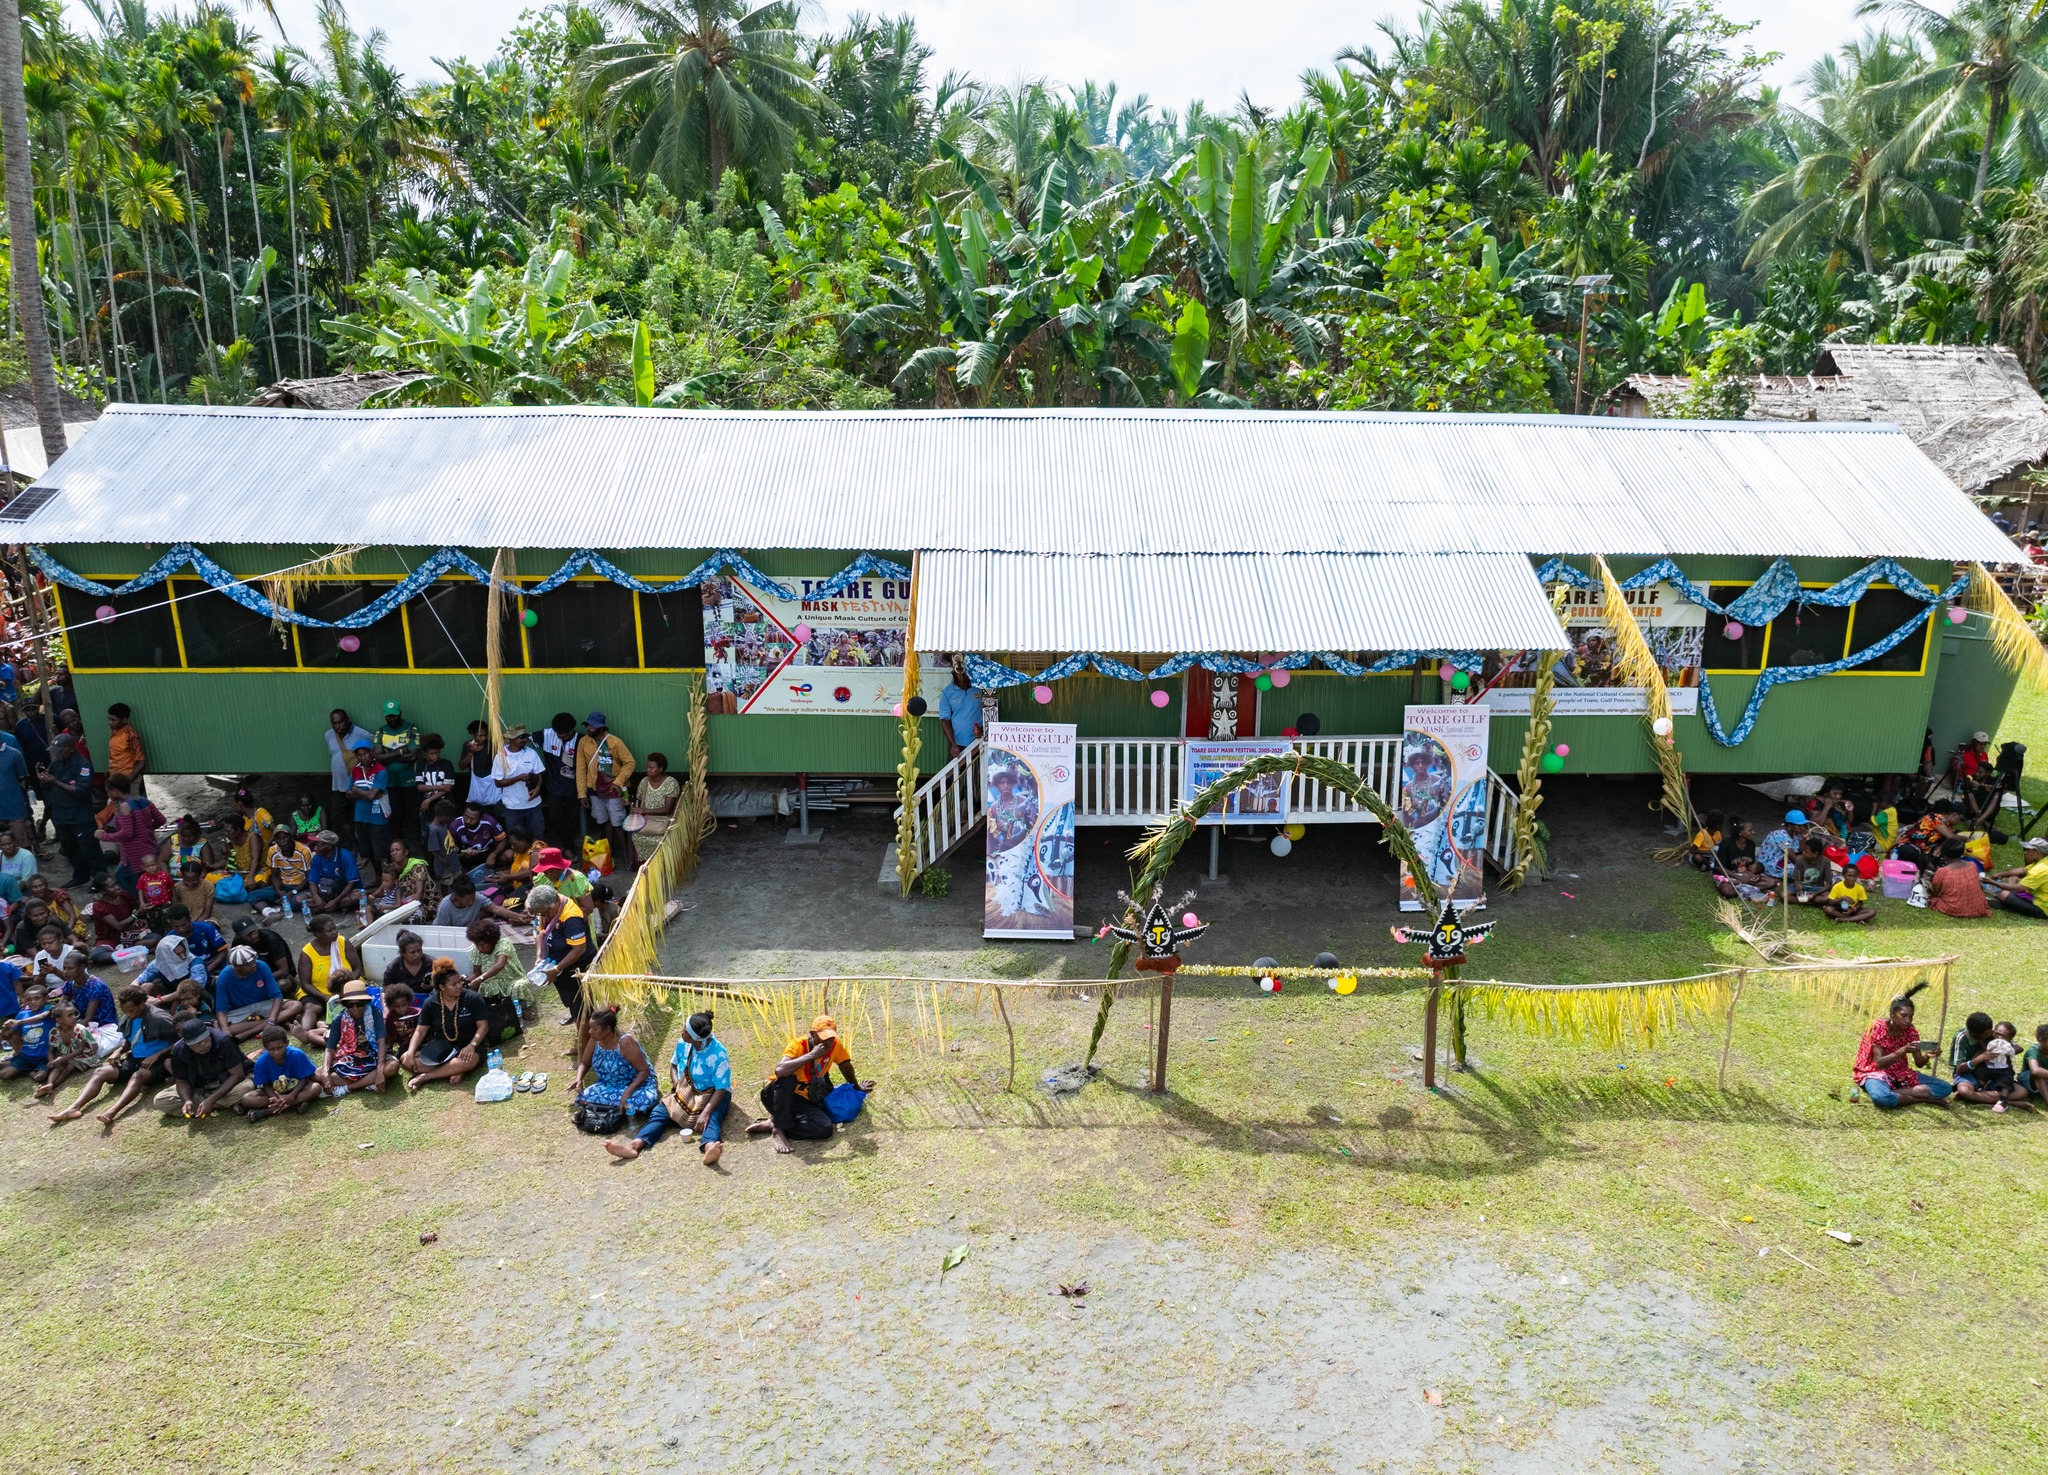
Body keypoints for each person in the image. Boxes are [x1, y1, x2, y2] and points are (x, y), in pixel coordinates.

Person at [607, 1009, 731, 1164]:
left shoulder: (718, 1054)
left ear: (695, 1037)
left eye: (685, 1031)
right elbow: (673, 1065)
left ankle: (710, 1147)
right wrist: (677, 1086)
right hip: (686, 1090)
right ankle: (635, 1145)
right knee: (660, 1112)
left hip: (714, 1094)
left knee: (711, 1118)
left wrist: (705, 1113)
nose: (682, 1031)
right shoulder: (683, 1043)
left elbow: (720, 1088)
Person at [56, 984, 178, 1132]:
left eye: (131, 1010)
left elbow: (178, 1041)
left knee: (137, 1076)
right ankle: (74, 1108)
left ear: (142, 1003)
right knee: (100, 1072)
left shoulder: (159, 1018)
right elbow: (128, 1041)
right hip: (136, 1058)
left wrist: (157, 1055)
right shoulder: (128, 1018)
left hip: (157, 1061)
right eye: (125, 1010)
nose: (128, 1014)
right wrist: (118, 1051)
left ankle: (112, 1111)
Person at [746, 1013, 873, 1153]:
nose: (828, 1042)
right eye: (823, 1038)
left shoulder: (834, 1045)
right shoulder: (798, 1045)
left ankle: (775, 1122)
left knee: (825, 1128)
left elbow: (845, 1065)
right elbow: (780, 1071)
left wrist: (856, 1087)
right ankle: (778, 1130)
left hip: (806, 1100)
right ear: (813, 1034)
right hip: (778, 1096)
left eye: (831, 1037)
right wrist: (812, 1055)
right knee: (788, 1078)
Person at [1852, 982, 1949, 1108]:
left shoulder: (1910, 1031)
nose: (1908, 1020)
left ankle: (1893, 1094)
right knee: (1880, 1098)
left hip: (1900, 1073)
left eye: (1911, 1016)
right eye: (1903, 1015)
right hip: (1875, 1072)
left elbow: (1919, 1063)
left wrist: (1928, 1056)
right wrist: (1902, 1050)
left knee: (1945, 1088)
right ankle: (1922, 1099)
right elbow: (1879, 1063)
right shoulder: (1878, 1027)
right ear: (1892, 1013)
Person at [400, 958, 488, 1092]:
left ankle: (427, 1077)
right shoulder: (431, 1003)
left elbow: (483, 1026)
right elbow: (420, 1031)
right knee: (405, 1058)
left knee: (467, 1061)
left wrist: (472, 1045)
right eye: (454, 984)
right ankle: (454, 1069)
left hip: (469, 1049)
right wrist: (411, 1053)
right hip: (442, 1050)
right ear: (441, 987)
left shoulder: (472, 998)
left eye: (459, 982)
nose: (459, 986)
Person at [38, 731, 105, 888]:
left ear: (70, 748)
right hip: (61, 816)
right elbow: (46, 786)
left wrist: (56, 781)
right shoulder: (56, 763)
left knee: (90, 849)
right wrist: (45, 780)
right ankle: (80, 875)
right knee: (70, 848)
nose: (56, 755)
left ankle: (100, 879)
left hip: (80, 817)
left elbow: (81, 790)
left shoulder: (83, 765)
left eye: (59, 751)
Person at [571, 1005, 657, 1120]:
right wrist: (578, 1078)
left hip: (636, 1084)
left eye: (595, 1029)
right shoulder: (595, 1040)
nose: (590, 1032)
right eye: (590, 1028)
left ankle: (606, 1109)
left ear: (608, 1028)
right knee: (583, 1099)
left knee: (644, 1100)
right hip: (608, 1085)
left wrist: (627, 1093)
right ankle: (619, 1111)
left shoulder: (625, 1043)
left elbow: (644, 1071)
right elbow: (584, 1063)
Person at [157, 1018, 248, 1120]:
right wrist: (187, 1100)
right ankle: (223, 1104)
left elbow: (238, 1075)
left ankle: (205, 1105)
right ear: (187, 1044)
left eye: (205, 1039)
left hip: (225, 1084)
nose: (203, 1045)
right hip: (199, 1087)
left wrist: (211, 1100)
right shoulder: (178, 1051)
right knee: (161, 1100)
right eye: (197, 1043)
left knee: (247, 1088)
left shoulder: (223, 1041)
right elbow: (181, 1081)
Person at [576, 712, 635, 867]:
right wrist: (582, 793)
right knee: (604, 821)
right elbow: (580, 769)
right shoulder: (584, 742)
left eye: (593, 725)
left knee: (618, 823)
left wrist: (619, 781)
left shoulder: (614, 742)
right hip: (595, 788)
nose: (589, 728)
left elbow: (630, 762)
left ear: (601, 727)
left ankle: (627, 856)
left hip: (613, 789)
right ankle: (609, 854)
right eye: (588, 725)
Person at [526, 883, 589, 1025]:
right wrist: (539, 957)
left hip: (576, 967)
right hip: (556, 965)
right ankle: (574, 1014)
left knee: (581, 1008)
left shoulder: (571, 917)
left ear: (554, 904)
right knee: (570, 1000)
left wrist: (556, 969)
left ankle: (583, 1043)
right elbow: (539, 933)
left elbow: (579, 949)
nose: (542, 917)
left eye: (544, 913)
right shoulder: (545, 908)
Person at [32, 1000, 117, 1102]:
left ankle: (51, 1086)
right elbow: (50, 1050)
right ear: (59, 1020)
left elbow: (81, 1049)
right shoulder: (54, 1032)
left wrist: (64, 1058)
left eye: (74, 1014)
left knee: (69, 1067)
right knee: (58, 1066)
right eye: (69, 1015)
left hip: (84, 1055)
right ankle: (49, 1084)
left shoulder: (79, 1029)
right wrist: (51, 1061)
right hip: (66, 1054)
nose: (74, 1017)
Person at [294, 916, 360, 1041]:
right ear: (318, 934)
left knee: (356, 1005)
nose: (335, 932)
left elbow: (357, 968)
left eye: (335, 928)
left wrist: (347, 988)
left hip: (347, 986)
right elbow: (305, 983)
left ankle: (322, 1026)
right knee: (311, 1008)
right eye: (330, 930)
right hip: (318, 991)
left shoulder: (343, 942)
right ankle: (304, 1032)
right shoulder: (307, 953)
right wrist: (325, 997)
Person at [97, 775, 165, 895]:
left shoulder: (124, 807)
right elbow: (161, 820)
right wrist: (146, 829)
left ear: (116, 790)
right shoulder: (144, 801)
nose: (108, 795)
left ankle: (139, 903)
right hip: (150, 846)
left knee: (126, 880)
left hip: (134, 854)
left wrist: (104, 836)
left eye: (109, 791)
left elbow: (127, 833)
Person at [240, 1023, 324, 1120]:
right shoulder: (261, 1062)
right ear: (265, 1048)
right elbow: (265, 1084)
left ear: (287, 1043)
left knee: (315, 1087)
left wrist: (292, 1095)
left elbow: (305, 1078)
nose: (276, 1052)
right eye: (271, 1049)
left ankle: (267, 1112)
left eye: (280, 1047)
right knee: (247, 1099)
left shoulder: (297, 1054)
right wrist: (277, 1098)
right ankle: (297, 1103)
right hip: (275, 1093)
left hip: (297, 1089)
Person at [1949, 1012, 2030, 1108]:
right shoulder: (1961, 1037)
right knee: (1965, 1091)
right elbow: (1960, 1069)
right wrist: (1981, 1057)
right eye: (1988, 1034)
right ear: (1975, 1035)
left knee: (2022, 1092)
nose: (1991, 1034)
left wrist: (2002, 1051)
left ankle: (1979, 1097)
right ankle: (2007, 1101)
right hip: (1969, 1074)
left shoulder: (1993, 1032)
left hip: (1993, 1074)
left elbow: (2017, 1047)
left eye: (1991, 1031)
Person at [324, 980, 389, 1094]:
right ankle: (368, 1081)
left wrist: (379, 1072)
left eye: (359, 1004)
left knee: (392, 1067)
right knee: (318, 1074)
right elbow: (330, 1047)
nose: (355, 1008)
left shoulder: (375, 1013)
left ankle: (347, 1088)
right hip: (351, 1057)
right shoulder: (339, 1018)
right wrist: (325, 1073)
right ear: (345, 1005)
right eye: (350, 1005)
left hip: (373, 1054)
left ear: (365, 1002)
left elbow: (381, 1042)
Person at [213, 945, 287, 1042]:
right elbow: (220, 1010)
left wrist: (272, 1020)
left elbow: (277, 995)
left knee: (295, 1006)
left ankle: (245, 1034)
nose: (254, 965)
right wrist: (226, 1031)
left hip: (263, 1003)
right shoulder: (224, 976)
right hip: (240, 1010)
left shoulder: (262, 966)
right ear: (237, 967)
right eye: (249, 964)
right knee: (223, 1026)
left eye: (254, 961)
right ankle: (272, 1022)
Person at [372, 700, 421, 839]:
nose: (391, 719)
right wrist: (399, 752)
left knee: (413, 815)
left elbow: (413, 756)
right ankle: (397, 846)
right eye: (388, 716)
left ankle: (415, 845)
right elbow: (377, 757)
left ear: (400, 713)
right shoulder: (381, 731)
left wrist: (387, 754)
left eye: (394, 715)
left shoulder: (411, 729)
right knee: (394, 817)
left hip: (409, 781)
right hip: (389, 783)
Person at [491, 723, 547, 841]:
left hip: (533, 804)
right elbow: (498, 783)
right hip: (513, 807)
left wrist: (537, 788)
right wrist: (518, 778)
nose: (525, 740)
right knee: (516, 839)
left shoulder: (531, 753)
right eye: (521, 737)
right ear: (511, 739)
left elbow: (539, 775)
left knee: (538, 837)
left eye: (525, 736)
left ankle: (537, 859)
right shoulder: (501, 757)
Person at [539, 713, 583, 850]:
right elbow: (522, 737)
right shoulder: (547, 734)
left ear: (571, 731)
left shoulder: (581, 740)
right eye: (557, 733)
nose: (559, 736)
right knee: (555, 817)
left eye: (563, 734)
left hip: (573, 787)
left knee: (572, 819)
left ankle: (568, 847)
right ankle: (566, 846)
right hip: (554, 787)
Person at [629, 751, 682, 861]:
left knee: (660, 840)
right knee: (633, 835)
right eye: (647, 767)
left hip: (662, 822)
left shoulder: (670, 783)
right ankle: (639, 866)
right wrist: (633, 807)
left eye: (651, 768)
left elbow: (668, 809)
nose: (648, 770)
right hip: (645, 821)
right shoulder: (644, 782)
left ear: (660, 769)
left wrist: (643, 811)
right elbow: (638, 802)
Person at [325, 709, 373, 830]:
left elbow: (376, 748)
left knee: (360, 818)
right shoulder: (329, 735)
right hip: (338, 785)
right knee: (339, 818)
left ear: (347, 720)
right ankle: (354, 845)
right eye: (334, 723)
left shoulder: (360, 733)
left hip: (357, 785)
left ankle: (363, 845)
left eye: (341, 722)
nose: (338, 726)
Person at [348, 739, 391, 862]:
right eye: (359, 755)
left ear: (371, 752)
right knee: (367, 850)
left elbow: (372, 796)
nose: (363, 757)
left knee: (380, 849)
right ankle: (377, 877)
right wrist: (366, 794)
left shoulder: (380, 770)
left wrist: (357, 791)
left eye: (365, 753)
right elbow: (348, 794)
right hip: (360, 816)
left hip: (377, 817)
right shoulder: (355, 770)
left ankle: (388, 875)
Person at [1926, 840, 1992, 919]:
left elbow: (1935, 893)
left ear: (1944, 854)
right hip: (1978, 906)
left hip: (1955, 908)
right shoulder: (1972, 865)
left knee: (1931, 897)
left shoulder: (1942, 871)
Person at [0, 978, 52, 1080]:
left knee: (40, 1077)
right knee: (4, 1075)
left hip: (45, 1056)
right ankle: (22, 1065)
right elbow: (9, 1035)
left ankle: (26, 1070)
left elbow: (41, 1017)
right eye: (28, 999)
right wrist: (5, 1030)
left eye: (37, 998)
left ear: (46, 998)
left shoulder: (51, 1009)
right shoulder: (22, 1014)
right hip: (27, 1055)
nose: (33, 1002)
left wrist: (19, 1022)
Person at [306, 830, 363, 917]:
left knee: (357, 897)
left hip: (343, 893)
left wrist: (336, 901)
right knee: (300, 900)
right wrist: (316, 897)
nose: (315, 848)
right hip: (325, 892)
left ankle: (325, 908)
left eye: (318, 845)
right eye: (315, 845)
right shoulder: (316, 858)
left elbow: (352, 882)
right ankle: (332, 907)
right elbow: (312, 882)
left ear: (328, 846)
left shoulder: (346, 856)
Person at [435, 873, 521, 930]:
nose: (471, 902)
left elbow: (496, 909)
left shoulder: (477, 897)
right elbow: (442, 931)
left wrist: (519, 916)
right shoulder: (445, 907)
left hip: (470, 930)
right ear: (457, 897)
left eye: (472, 899)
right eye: (467, 900)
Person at [938, 655, 983, 760]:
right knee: (954, 775)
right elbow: (945, 721)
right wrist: (952, 744)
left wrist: (983, 730)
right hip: (958, 744)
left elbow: (988, 711)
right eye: (958, 673)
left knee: (977, 775)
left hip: (979, 741)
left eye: (963, 673)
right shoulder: (947, 692)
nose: (961, 676)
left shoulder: (979, 689)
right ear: (953, 673)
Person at [450, 799, 510, 875]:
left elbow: (503, 840)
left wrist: (493, 855)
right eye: (466, 816)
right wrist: (463, 856)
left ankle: (492, 871)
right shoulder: (455, 825)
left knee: (509, 855)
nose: (468, 821)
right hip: (467, 856)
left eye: (472, 819)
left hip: (487, 852)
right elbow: (452, 850)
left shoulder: (490, 822)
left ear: (480, 818)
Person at [415, 735, 457, 839]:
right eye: (431, 754)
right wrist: (441, 787)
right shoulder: (421, 764)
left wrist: (428, 800)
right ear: (425, 753)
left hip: (444, 806)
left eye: (437, 753)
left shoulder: (446, 764)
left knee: (447, 835)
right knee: (426, 835)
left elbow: (448, 788)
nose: (435, 756)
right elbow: (419, 787)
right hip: (427, 808)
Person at [268, 827, 313, 921]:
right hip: (284, 885)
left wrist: (292, 893)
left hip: (300, 886)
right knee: (253, 896)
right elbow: (275, 875)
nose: (282, 841)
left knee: (297, 902)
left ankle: (279, 907)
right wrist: (278, 891)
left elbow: (309, 878)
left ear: (291, 837)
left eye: (285, 837)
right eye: (278, 839)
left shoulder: (303, 850)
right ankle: (269, 912)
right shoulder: (273, 850)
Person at [383, 836, 436, 913]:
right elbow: (385, 884)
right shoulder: (393, 867)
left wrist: (408, 909)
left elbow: (419, 891)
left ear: (406, 852)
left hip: (423, 903)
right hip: (403, 901)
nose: (394, 853)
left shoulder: (417, 866)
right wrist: (372, 895)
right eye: (392, 851)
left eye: (397, 850)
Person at [460, 719, 500, 815]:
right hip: (475, 786)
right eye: (480, 735)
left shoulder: (492, 745)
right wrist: (470, 753)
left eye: (485, 735)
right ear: (473, 734)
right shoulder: (467, 746)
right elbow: (461, 766)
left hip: (492, 786)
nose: (484, 738)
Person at [1756, 810, 1808, 883]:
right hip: (1768, 863)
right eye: (1799, 825)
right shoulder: (1781, 835)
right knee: (1795, 870)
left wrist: (1804, 838)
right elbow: (1794, 859)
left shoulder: (1796, 833)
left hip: (1782, 861)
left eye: (1802, 825)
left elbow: (1800, 851)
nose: (1801, 828)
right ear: (1790, 825)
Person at [105, 702, 147, 794]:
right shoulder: (115, 732)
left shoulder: (130, 735)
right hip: (116, 781)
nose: (110, 722)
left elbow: (141, 762)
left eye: (113, 720)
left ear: (124, 720)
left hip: (128, 781)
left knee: (130, 806)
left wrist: (128, 781)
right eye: (109, 719)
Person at [381, 929, 434, 994]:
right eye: (413, 952)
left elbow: (445, 985)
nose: (417, 955)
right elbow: (385, 991)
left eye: (419, 950)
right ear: (403, 953)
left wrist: (434, 986)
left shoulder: (433, 964)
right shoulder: (393, 968)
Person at [0, 828, 36, 904]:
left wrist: (12, 894)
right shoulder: (0, 855)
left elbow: (26, 882)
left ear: (15, 842)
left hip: (21, 890)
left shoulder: (26, 856)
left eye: (9, 843)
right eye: (3, 845)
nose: (7, 847)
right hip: (3, 890)